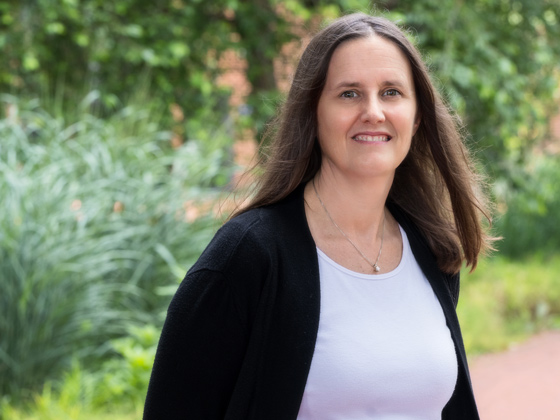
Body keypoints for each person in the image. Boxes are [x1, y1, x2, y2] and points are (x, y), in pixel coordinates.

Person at [143, 12, 494, 420]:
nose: (374, 112)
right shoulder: (249, 255)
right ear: (313, 112)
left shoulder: (430, 250)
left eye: (392, 92)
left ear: (417, 118)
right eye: (349, 94)